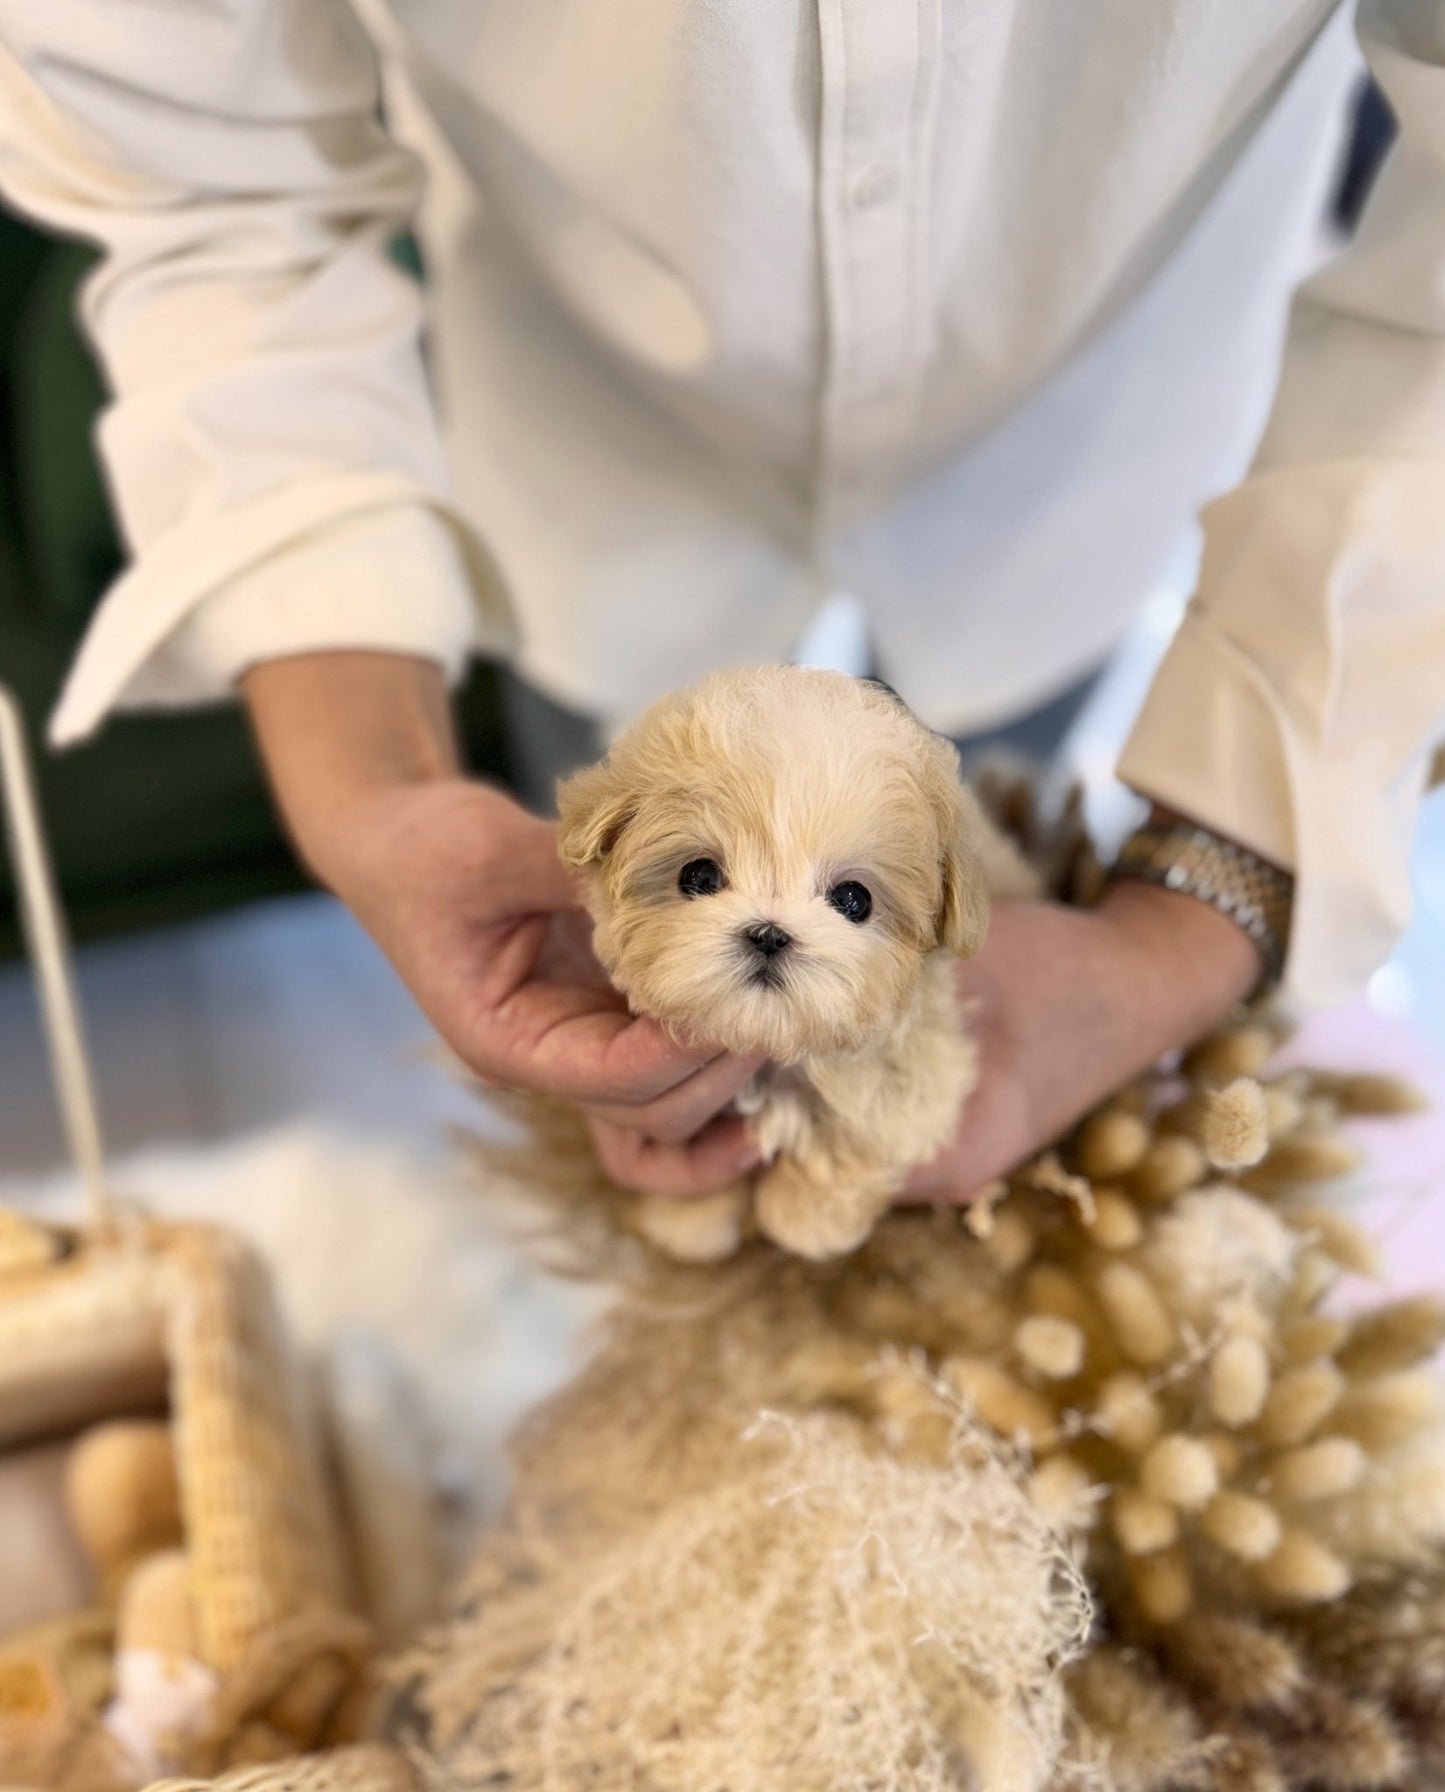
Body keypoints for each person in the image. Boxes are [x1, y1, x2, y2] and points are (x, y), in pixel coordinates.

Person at [0, 3, 1440, 1208]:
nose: (764, 920)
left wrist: (1184, 921)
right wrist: (373, 796)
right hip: (585, 455)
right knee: (622, 1042)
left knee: (997, 800)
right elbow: (206, 191)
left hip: (1087, 444)